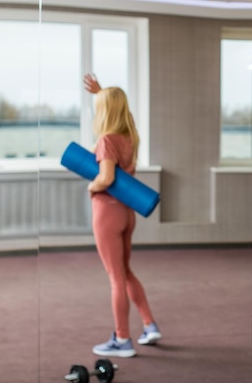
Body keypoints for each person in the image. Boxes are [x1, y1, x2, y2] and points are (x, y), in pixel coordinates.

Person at [83, 73, 162, 358]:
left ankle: (122, 339)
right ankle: (149, 325)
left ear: (104, 110)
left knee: (115, 277)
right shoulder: (129, 136)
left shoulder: (105, 139)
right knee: (125, 272)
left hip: (107, 212)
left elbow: (104, 177)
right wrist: (103, 92)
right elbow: (119, 110)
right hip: (127, 214)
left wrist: (92, 186)